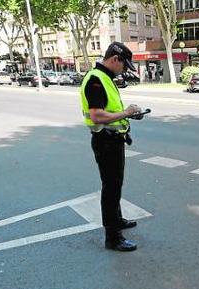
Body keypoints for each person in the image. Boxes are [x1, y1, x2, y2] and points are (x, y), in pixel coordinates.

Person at [79, 42, 143, 252]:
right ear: (114, 60)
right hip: (105, 141)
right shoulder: (96, 80)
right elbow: (97, 115)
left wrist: (130, 114)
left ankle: (117, 220)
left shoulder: (105, 77)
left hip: (113, 140)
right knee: (111, 188)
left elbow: (110, 110)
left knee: (116, 184)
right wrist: (126, 112)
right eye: (124, 65)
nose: (125, 69)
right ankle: (112, 237)